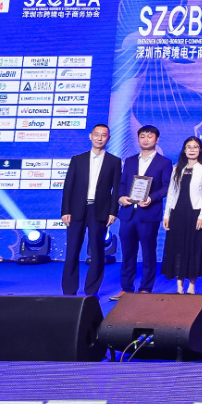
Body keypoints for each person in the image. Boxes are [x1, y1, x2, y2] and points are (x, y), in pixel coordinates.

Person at [111, 125, 172, 301]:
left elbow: (167, 187)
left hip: (149, 214)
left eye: (149, 136)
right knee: (127, 253)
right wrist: (121, 197)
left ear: (157, 139)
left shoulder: (164, 162)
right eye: (142, 136)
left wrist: (151, 198)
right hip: (128, 213)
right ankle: (126, 288)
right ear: (138, 139)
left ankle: (146, 288)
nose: (146, 139)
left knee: (148, 252)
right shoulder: (129, 161)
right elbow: (122, 183)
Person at [60, 124, 122, 296]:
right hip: (76, 210)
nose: (99, 138)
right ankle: (69, 291)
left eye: (103, 135)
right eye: (97, 134)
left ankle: (91, 290)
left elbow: (116, 189)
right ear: (90, 136)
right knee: (72, 250)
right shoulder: (77, 159)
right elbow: (68, 187)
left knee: (97, 251)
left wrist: (113, 211)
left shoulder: (114, 161)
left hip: (100, 210)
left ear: (108, 138)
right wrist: (65, 210)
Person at [163, 137, 202, 293]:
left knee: (193, 248)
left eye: (195, 147)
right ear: (184, 150)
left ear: (200, 150)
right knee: (177, 248)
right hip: (177, 213)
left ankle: (191, 286)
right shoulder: (177, 168)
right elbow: (171, 193)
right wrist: (167, 215)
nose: (192, 149)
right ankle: (179, 287)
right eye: (189, 147)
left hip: (194, 214)